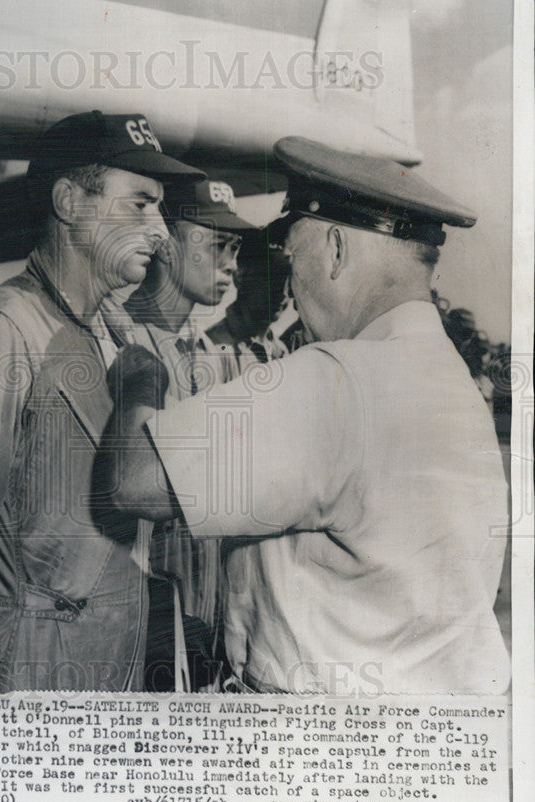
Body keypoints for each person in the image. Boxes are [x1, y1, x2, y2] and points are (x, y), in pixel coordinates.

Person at [99, 136, 511, 696]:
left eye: (294, 259)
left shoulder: (338, 379)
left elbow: (133, 483)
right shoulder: (453, 384)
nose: (290, 288)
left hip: (318, 737)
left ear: (337, 251)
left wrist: (138, 378)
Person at [0, 110, 204, 691]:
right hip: (25, 679)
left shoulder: (108, 332)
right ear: (68, 201)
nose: (160, 230)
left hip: (106, 671)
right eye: (140, 203)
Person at [106, 179, 254, 687]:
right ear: (167, 245)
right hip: (134, 616)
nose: (232, 262)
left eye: (236, 247)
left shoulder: (207, 355)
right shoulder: (112, 342)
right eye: (218, 244)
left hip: (201, 614)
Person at [206, 224, 292, 367]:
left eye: (289, 281)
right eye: (272, 279)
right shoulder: (214, 351)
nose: (283, 293)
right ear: (239, 277)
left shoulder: (281, 352)